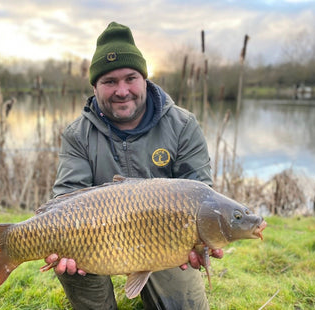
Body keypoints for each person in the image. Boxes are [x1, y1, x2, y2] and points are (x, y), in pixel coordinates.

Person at [44, 21, 223, 310]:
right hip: (95, 240)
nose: (122, 90)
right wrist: (60, 239)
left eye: (130, 78)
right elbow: (68, 194)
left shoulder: (183, 125)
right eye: (109, 81)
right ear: (95, 86)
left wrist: (200, 240)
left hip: (163, 240)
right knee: (68, 258)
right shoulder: (77, 134)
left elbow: (200, 193)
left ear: (145, 79)